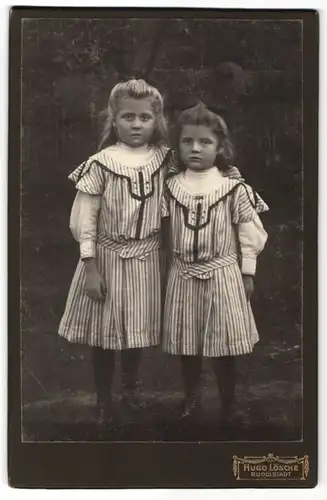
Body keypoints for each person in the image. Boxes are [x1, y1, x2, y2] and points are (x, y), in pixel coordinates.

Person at [58, 79, 243, 425]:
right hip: (108, 256)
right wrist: (90, 266)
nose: (136, 125)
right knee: (104, 331)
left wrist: (227, 171)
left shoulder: (165, 160)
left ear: (156, 120)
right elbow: (84, 219)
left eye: (144, 118)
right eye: (128, 117)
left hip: (148, 259)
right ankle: (103, 401)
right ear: (113, 120)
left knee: (135, 330)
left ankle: (130, 391)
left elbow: (199, 171)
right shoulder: (101, 163)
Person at [161, 102, 269, 425]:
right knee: (187, 341)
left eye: (205, 142)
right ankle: (191, 396)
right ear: (178, 145)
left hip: (222, 272)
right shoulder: (170, 187)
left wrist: (247, 272)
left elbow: (250, 231)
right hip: (183, 274)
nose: (195, 148)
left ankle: (229, 401)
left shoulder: (232, 187)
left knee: (223, 344)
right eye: (187, 141)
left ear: (220, 147)